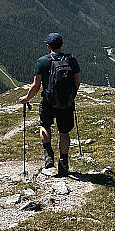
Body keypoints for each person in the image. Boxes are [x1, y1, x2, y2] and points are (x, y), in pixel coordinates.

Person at [19, 32, 81, 176]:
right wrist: (71, 97)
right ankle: (64, 162)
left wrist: (27, 98)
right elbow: (77, 82)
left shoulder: (42, 61)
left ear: (48, 46)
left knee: (45, 125)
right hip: (66, 103)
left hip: (48, 101)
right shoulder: (72, 60)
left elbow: (36, 85)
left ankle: (48, 155)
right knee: (64, 132)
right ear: (62, 44)